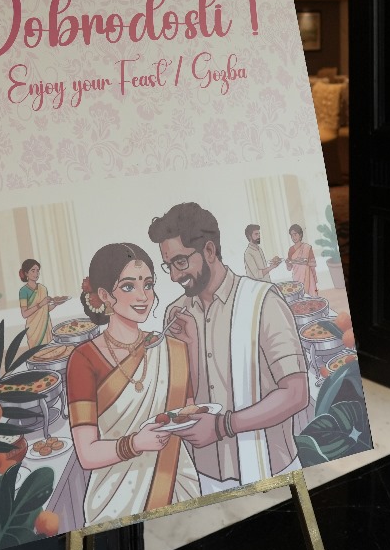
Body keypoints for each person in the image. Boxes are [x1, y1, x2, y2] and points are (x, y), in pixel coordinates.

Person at [149, 203, 310, 493]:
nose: (173, 276)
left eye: (180, 262)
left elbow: (296, 393)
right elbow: (184, 400)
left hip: (273, 472)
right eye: (168, 265)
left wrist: (223, 426)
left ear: (209, 251)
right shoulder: (177, 314)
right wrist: (191, 347)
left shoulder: (263, 300)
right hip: (202, 478)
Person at [63, 243, 200, 526]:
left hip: (176, 482)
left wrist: (193, 346)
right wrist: (135, 443)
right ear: (104, 295)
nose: (143, 296)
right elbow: (86, 454)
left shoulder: (170, 348)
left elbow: (188, 413)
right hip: (115, 501)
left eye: (148, 285)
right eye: (128, 286)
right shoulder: (84, 359)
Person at [17, 259, 67, 349]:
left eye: (37, 271)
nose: (36, 273)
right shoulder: (23, 291)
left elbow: (45, 310)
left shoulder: (42, 288)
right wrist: (40, 304)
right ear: (26, 273)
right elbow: (24, 314)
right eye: (33, 271)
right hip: (33, 329)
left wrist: (56, 304)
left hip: (45, 327)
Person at [284, 223, 319, 297]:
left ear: (300, 235)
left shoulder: (307, 247)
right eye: (292, 235)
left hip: (308, 276)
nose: (293, 237)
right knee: (300, 296)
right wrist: (287, 263)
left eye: (295, 234)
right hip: (297, 277)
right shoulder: (291, 250)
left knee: (311, 296)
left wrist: (305, 262)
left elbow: (314, 263)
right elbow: (289, 268)